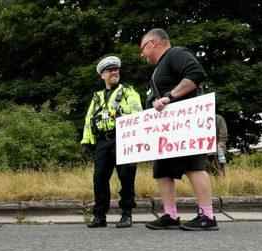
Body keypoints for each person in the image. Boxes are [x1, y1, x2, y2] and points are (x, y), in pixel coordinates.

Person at [139, 28, 218, 231]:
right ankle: (170, 215)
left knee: (194, 166)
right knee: (162, 170)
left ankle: (207, 216)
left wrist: (170, 96)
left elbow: (196, 74)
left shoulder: (176, 54)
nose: (142, 54)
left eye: (142, 49)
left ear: (153, 43)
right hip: (165, 131)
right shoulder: (159, 67)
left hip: (185, 127)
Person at [81, 56, 142, 228]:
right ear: (102, 75)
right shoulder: (97, 97)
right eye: (110, 70)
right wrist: (86, 141)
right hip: (102, 141)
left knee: (126, 177)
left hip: (123, 138)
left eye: (116, 69)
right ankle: (99, 215)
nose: (115, 72)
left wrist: (122, 115)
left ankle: (127, 214)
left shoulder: (129, 92)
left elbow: (138, 114)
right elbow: (88, 120)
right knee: (99, 178)